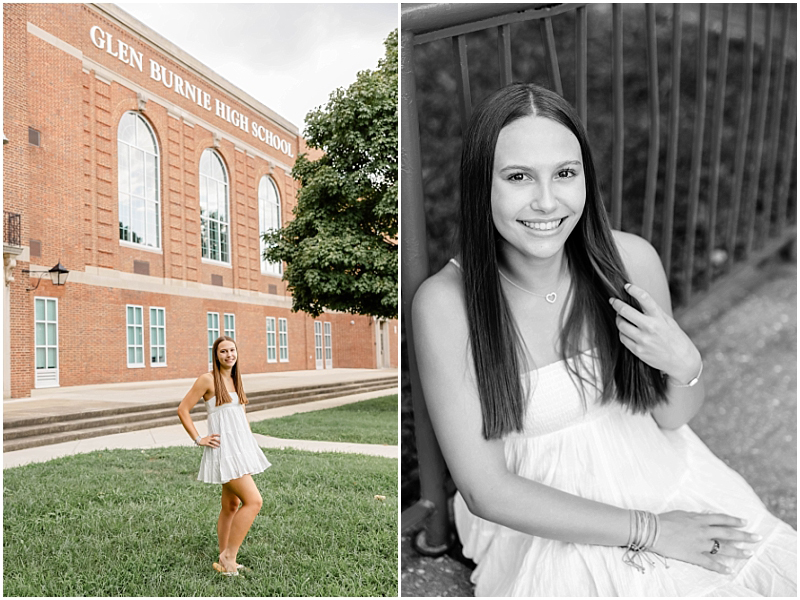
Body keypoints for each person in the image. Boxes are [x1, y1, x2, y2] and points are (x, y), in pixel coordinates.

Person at [412, 83, 796, 596]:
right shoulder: (447, 305)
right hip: (543, 519)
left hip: (665, 472)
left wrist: (686, 364)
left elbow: (671, 417)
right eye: (519, 177)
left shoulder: (630, 261)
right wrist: (653, 531)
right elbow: (488, 491)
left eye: (565, 174)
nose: (547, 202)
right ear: (482, 184)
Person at [177, 335, 271, 576]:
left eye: (232, 350)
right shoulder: (207, 380)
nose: (229, 355)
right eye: (223, 351)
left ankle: (223, 557)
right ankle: (229, 557)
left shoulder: (235, 379)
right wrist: (199, 439)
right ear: (216, 355)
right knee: (255, 501)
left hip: (240, 449)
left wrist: (250, 443)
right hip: (224, 451)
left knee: (231, 504)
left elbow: (241, 415)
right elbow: (183, 410)